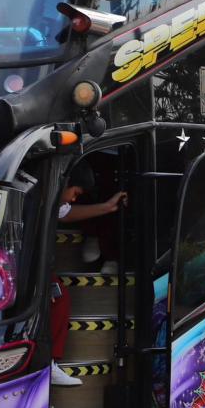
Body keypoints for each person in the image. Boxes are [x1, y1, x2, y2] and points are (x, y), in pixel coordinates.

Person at [48, 163, 128, 387]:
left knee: (60, 297)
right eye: (75, 192)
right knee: (58, 298)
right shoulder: (38, 198)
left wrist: (108, 207)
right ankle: (47, 363)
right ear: (64, 183)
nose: (74, 199)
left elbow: (65, 213)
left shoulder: (52, 198)